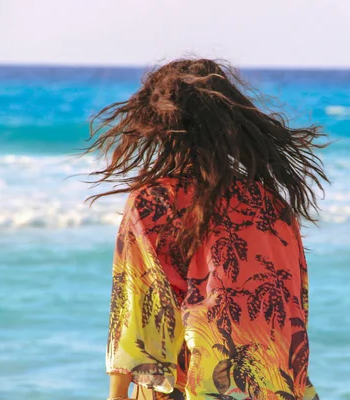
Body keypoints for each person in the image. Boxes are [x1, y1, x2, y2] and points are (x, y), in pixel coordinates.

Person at [85, 58, 328, 400]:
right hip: (278, 388)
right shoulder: (271, 206)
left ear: (160, 125)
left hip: (184, 389)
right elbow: (292, 310)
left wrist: (117, 395)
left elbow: (137, 309)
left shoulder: (153, 202)